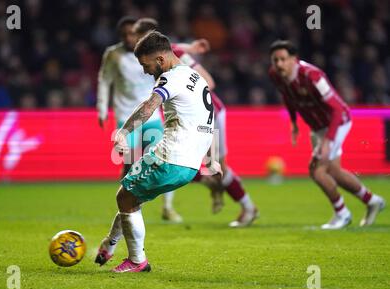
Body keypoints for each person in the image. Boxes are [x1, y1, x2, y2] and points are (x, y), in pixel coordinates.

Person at [95, 31, 220, 272]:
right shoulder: (196, 77)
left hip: (170, 156)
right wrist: (210, 157)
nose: (145, 71)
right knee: (131, 198)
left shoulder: (169, 78)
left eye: (146, 65)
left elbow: (148, 107)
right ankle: (109, 245)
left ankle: (136, 261)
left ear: (161, 60)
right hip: (190, 164)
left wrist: (122, 132)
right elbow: (206, 120)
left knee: (125, 196)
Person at [132, 18, 259, 228]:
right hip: (184, 116)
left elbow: (208, 81)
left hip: (209, 114)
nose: (135, 42)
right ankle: (207, 191)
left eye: (139, 37)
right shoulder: (155, 59)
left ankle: (247, 207)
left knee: (217, 168)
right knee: (180, 159)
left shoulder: (175, 57)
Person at [268, 40, 385, 229]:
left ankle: (342, 214)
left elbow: (338, 109)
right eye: (275, 60)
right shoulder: (275, 74)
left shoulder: (312, 76)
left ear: (294, 59)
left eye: (283, 59)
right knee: (334, 172)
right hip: (317, 127)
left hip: (337, 122)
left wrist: (328, 142)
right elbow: (287, 95)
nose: (279, 64)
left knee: (317, 170)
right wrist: (293, 122)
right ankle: (372, 201)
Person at [96, 17, 182, 223]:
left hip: (152, 116)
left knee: (163, 159)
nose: (128, 37)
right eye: (124, 34)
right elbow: (104, 80)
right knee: (130, 163)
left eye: (132, 33)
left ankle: (168, 207)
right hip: (126, 117)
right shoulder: (113, 54)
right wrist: (101, 108)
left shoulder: (151, 55)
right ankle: (128, 206)